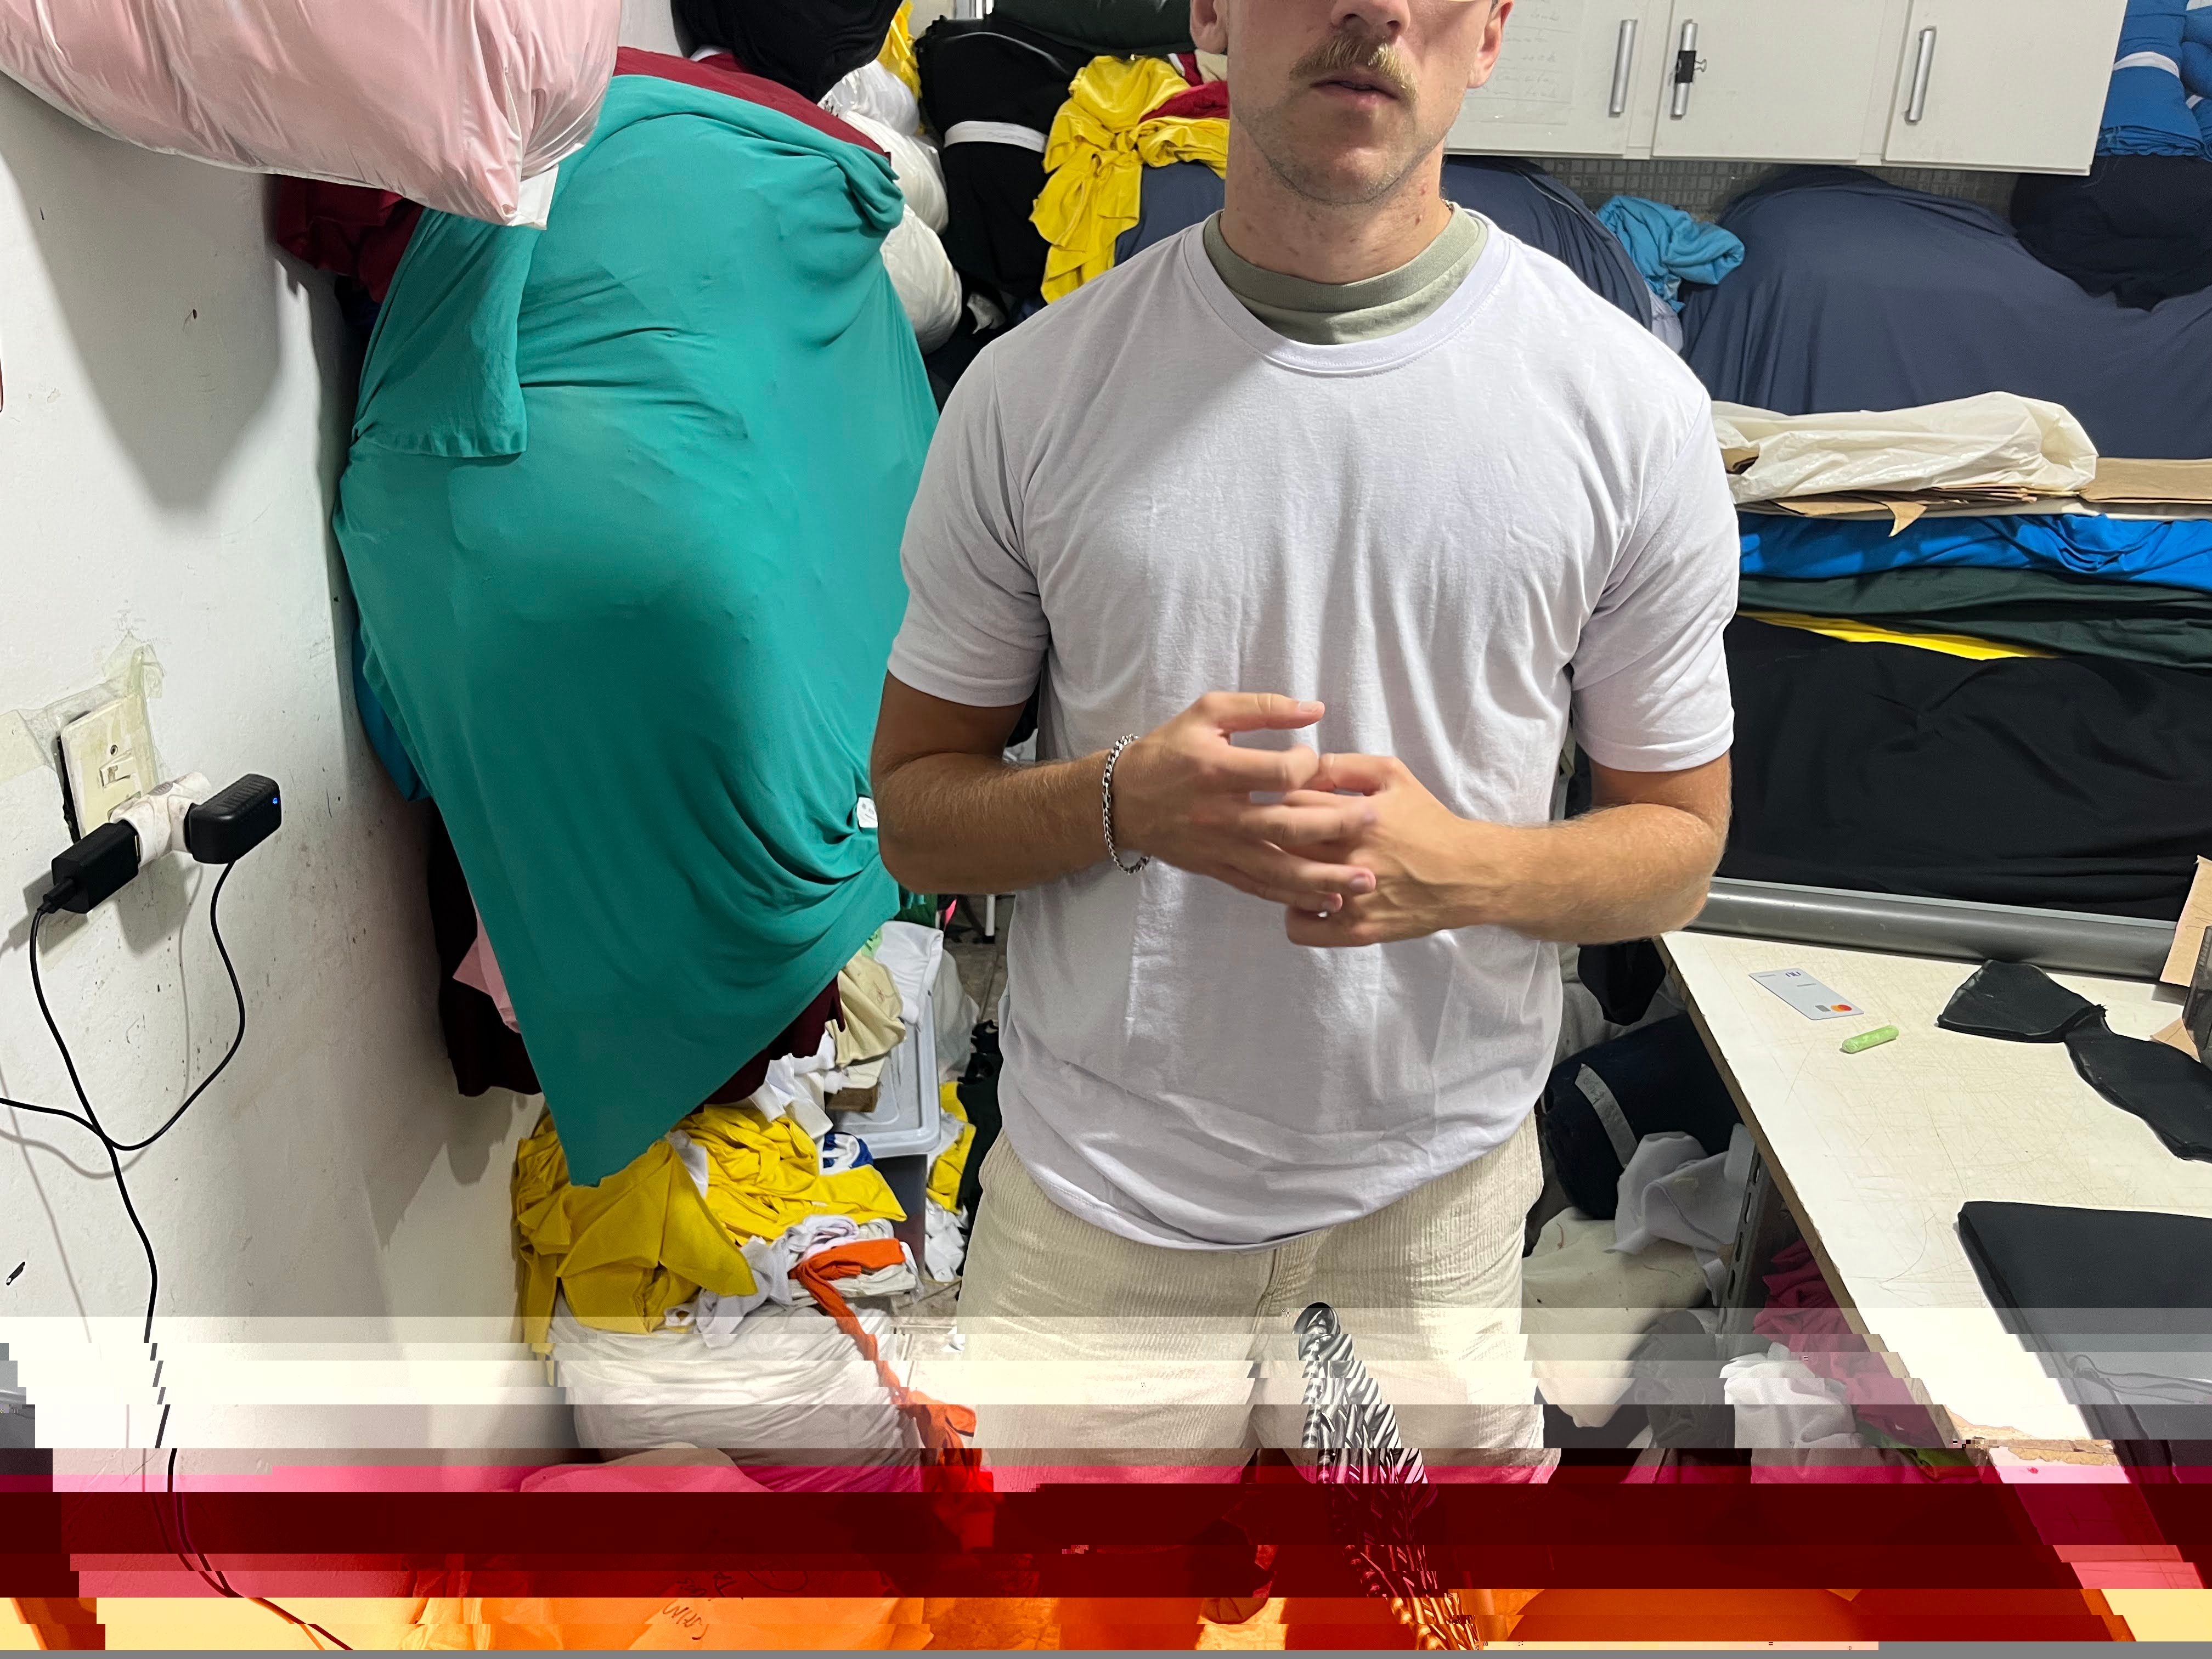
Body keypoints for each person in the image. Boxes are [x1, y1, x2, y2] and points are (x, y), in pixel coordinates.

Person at [873, 0, 1734, 1634]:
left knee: (1406, 1626)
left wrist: (1466, 870)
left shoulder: (1625, 408)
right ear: (1212, 15)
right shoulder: (1034, 392)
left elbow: (1679, 846)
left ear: (1490, 31)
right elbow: (916, 815)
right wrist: (1124, 801)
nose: (1372, 11)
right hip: (1102, 1212)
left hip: (1433, 1212)